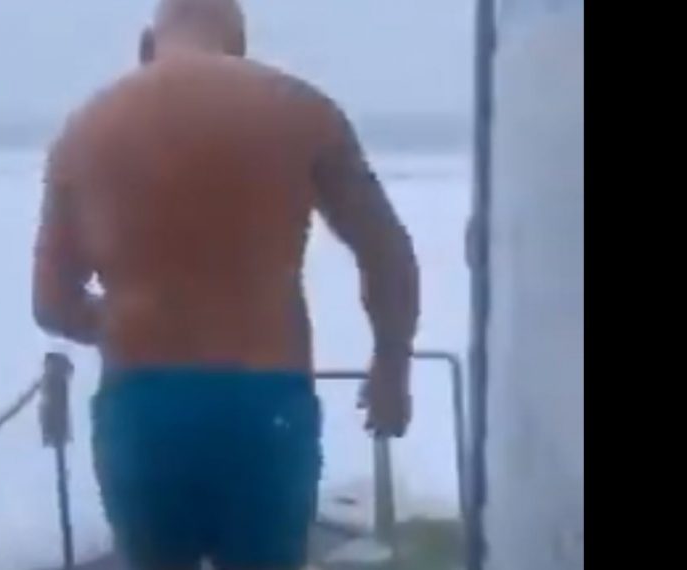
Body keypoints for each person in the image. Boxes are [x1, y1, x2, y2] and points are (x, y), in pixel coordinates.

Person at [32, 0, 419, 568]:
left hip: (142, 408)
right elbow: (387, 253)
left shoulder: (83, 131)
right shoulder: (299, 110)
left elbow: (51, 303)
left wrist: (135, 318)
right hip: (264, 405)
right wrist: (391, 366)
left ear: (147, 45)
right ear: (237, 46)